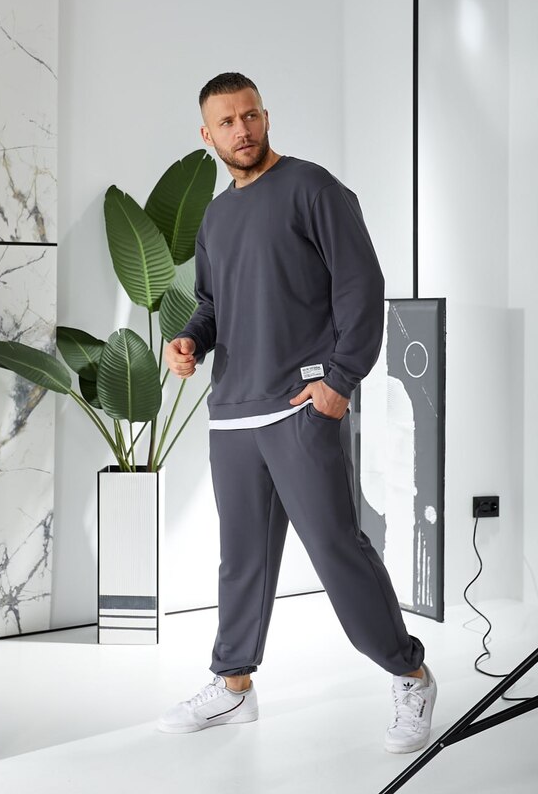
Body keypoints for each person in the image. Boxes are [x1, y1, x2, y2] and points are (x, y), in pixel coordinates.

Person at [158, 72, 437, 753]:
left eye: (250, 115)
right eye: (227, 122)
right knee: (241, 560)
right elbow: (213, 304)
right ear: (207, 134)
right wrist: (189, 339)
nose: (242, 129)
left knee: (337, 550)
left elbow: (360, 284)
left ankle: (409, 673)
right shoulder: (215, 218)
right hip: (233, 412)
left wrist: (341, 380)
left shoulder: (313, 188)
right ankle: (233, 686)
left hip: (300, 407)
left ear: (265, 115)